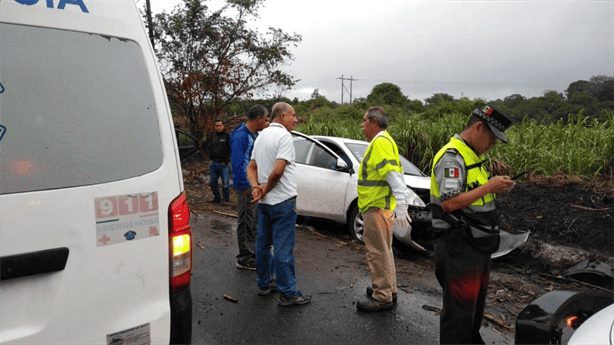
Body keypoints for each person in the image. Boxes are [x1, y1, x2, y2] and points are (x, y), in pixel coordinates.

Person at [430, 104, 515, 344]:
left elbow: (473, 199)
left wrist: (494, 188)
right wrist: (490, 186)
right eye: (492, 138)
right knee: (458, 316)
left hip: (476, 246)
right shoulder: (452, 158)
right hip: (458, 247)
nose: (494, 145)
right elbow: (449, 203)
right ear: (478, 127)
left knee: (472, 311)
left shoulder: (471, 157)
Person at [247, 102, 311, 306]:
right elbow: (278, 171)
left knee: (263, 245)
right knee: (283, 249)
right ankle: (288, 293)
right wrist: (262, 189)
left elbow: (251, 167)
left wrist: (256, 188)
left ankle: (264, 283)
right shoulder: (284, 137)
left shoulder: (262, 135)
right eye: (293, 115)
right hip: (282, 202)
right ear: (282, 116)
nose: (296, 119)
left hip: (265, 204)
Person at [355, 106, 412, 312]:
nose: (362, 126)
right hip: (383, 207)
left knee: (377, 252)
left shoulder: (379, 143)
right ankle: (389, 289)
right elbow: (396, 174)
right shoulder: (386, 141)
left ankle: (382, 295)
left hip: (376, 208)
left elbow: (393, 176)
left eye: (364, 121)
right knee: (384, 250)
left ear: (373, 122)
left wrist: (403, 204)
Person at [230, 105, 269, 271]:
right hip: (246, 186)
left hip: (253, 185)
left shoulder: (254, 135)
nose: (267, 122)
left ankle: (252, 253)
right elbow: (238, 164)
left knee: (252, 221)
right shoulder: (241, 136)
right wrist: (245, 186)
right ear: (258, 119)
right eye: (266, 119)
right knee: (246, 221)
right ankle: (244, 257)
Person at [205, 119, 231, 204]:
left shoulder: (227, 136)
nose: (218, 127)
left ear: (223, 126)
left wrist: (226, 161)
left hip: (223, 164)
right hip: (214, 163)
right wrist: (210, 157)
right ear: (214, 127)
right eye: (217, 126)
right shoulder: (213, 136)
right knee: (212, 182)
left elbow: (231, 150)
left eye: (220, 126)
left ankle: (225, 199)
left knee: (225, 183)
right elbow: (208, 147)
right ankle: (217, 198)